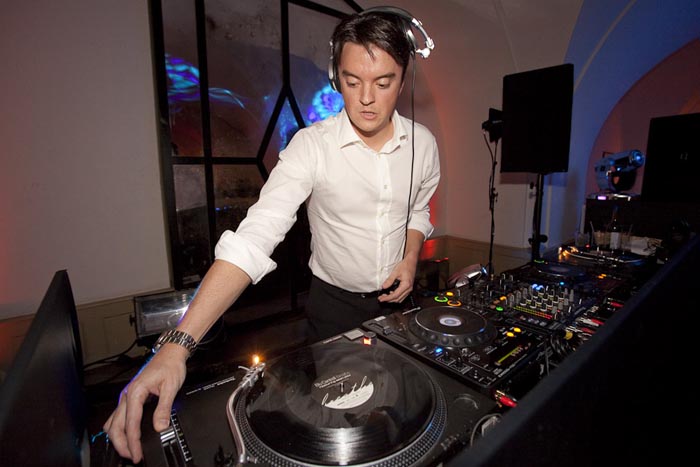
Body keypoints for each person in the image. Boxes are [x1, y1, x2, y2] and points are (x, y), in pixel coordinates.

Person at [104, 7, 440, 463]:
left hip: (400, 305)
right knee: (343, 428)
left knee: (402, 420)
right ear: (335, 77)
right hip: (333, 308)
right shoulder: (311, 147)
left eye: (383, 82)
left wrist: (410, 257)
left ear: (403, 80)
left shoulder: (424, 144)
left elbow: (418, 209)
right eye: (351, 81)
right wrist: (177, 346)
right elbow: (254, 239)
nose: (366, 98)